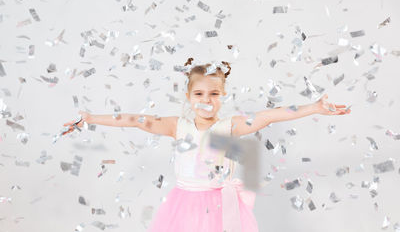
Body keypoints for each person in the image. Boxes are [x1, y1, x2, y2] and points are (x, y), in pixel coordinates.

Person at [62, 58, 351, 232]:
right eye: (199, 93)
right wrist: (91, 118)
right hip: (184, 204)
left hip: (221, 206)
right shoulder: (178, 126)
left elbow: (269, 116)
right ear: (189, 97)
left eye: (214, 93)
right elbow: (137, 120)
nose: (206, 100)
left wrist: (314, 107)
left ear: (223, 96)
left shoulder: (229, 127)